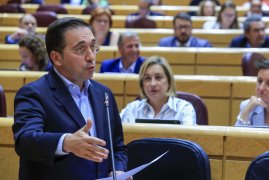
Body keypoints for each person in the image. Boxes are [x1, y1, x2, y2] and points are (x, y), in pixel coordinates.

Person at [13, 17, 128, 179]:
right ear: (56, 57)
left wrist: (118, 171)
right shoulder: (34, 93)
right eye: (81, 49)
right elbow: (25, 142)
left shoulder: (104, 93)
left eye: (93, 47)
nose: (91, 56)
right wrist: (66, 142)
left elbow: (117, 147)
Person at [120, 56, 196, 125]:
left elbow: (190, 138)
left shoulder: (184, 109)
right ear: (142, 84)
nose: (152, 84)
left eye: (158, 77)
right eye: (147, 78)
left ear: (169, 81)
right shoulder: (132, 109)